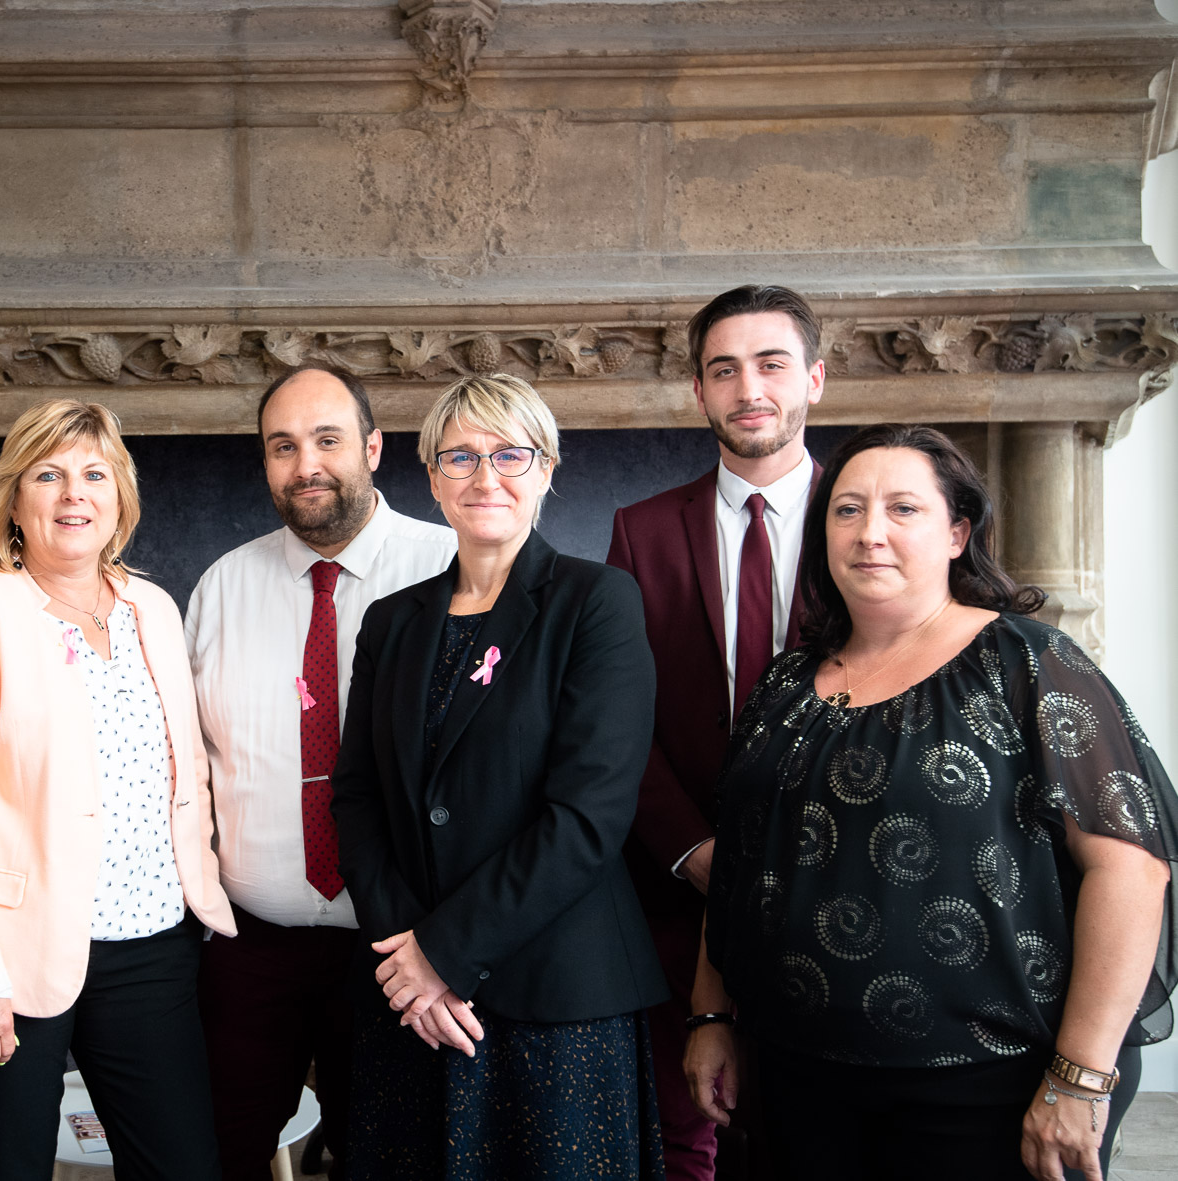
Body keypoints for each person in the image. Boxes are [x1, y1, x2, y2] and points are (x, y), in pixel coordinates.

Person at [687, 424, 1178, 1181]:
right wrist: (712, 1015)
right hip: (797, 1076)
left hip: (989, 1084)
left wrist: (1080, 1076)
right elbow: (741, 861)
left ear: (957, 530)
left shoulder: (1027, 660)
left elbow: (1132, 871)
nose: (870, 532)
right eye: (846, 510)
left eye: (902, 509)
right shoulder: (784, 683)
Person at [330, 373, 670, 1180]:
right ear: (432, 475)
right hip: (412, 1004)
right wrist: (408, 966)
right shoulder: (391, 621)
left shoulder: (597, 602)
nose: (487, 476)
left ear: (548, 468)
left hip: (555, 1003)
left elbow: (587, 816)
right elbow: (357, 796)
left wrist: (443, 954)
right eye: (461, 456)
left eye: (511, 454)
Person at [0, 398, 236, 1181]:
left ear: (120, 495)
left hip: (153, 939)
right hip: (7, 959)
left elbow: (186, 768)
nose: (73, 493)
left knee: (185, 1165)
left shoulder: (154, 606)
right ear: (16, 499)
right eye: (48, 474)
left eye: (93, 473)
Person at [186, 364, 456, 1180]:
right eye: (283, 445)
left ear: (374, 447)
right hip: (246, 948)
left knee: (391, 1163)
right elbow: (185, 765)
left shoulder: (450, 567)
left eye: (329, 439)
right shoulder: (222, 585)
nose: (307, 463)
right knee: (215, 1155)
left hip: (402, 945)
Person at [605, 283, 825, 1178]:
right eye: (724, 370)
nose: (750, 389)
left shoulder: (870, 522)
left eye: (772, 364)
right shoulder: (642, 530)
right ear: (698, 391)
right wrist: (694, 850)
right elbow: (620, 722)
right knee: (682, 1140)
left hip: (831, 889)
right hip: (678, 888)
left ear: (815, 377)